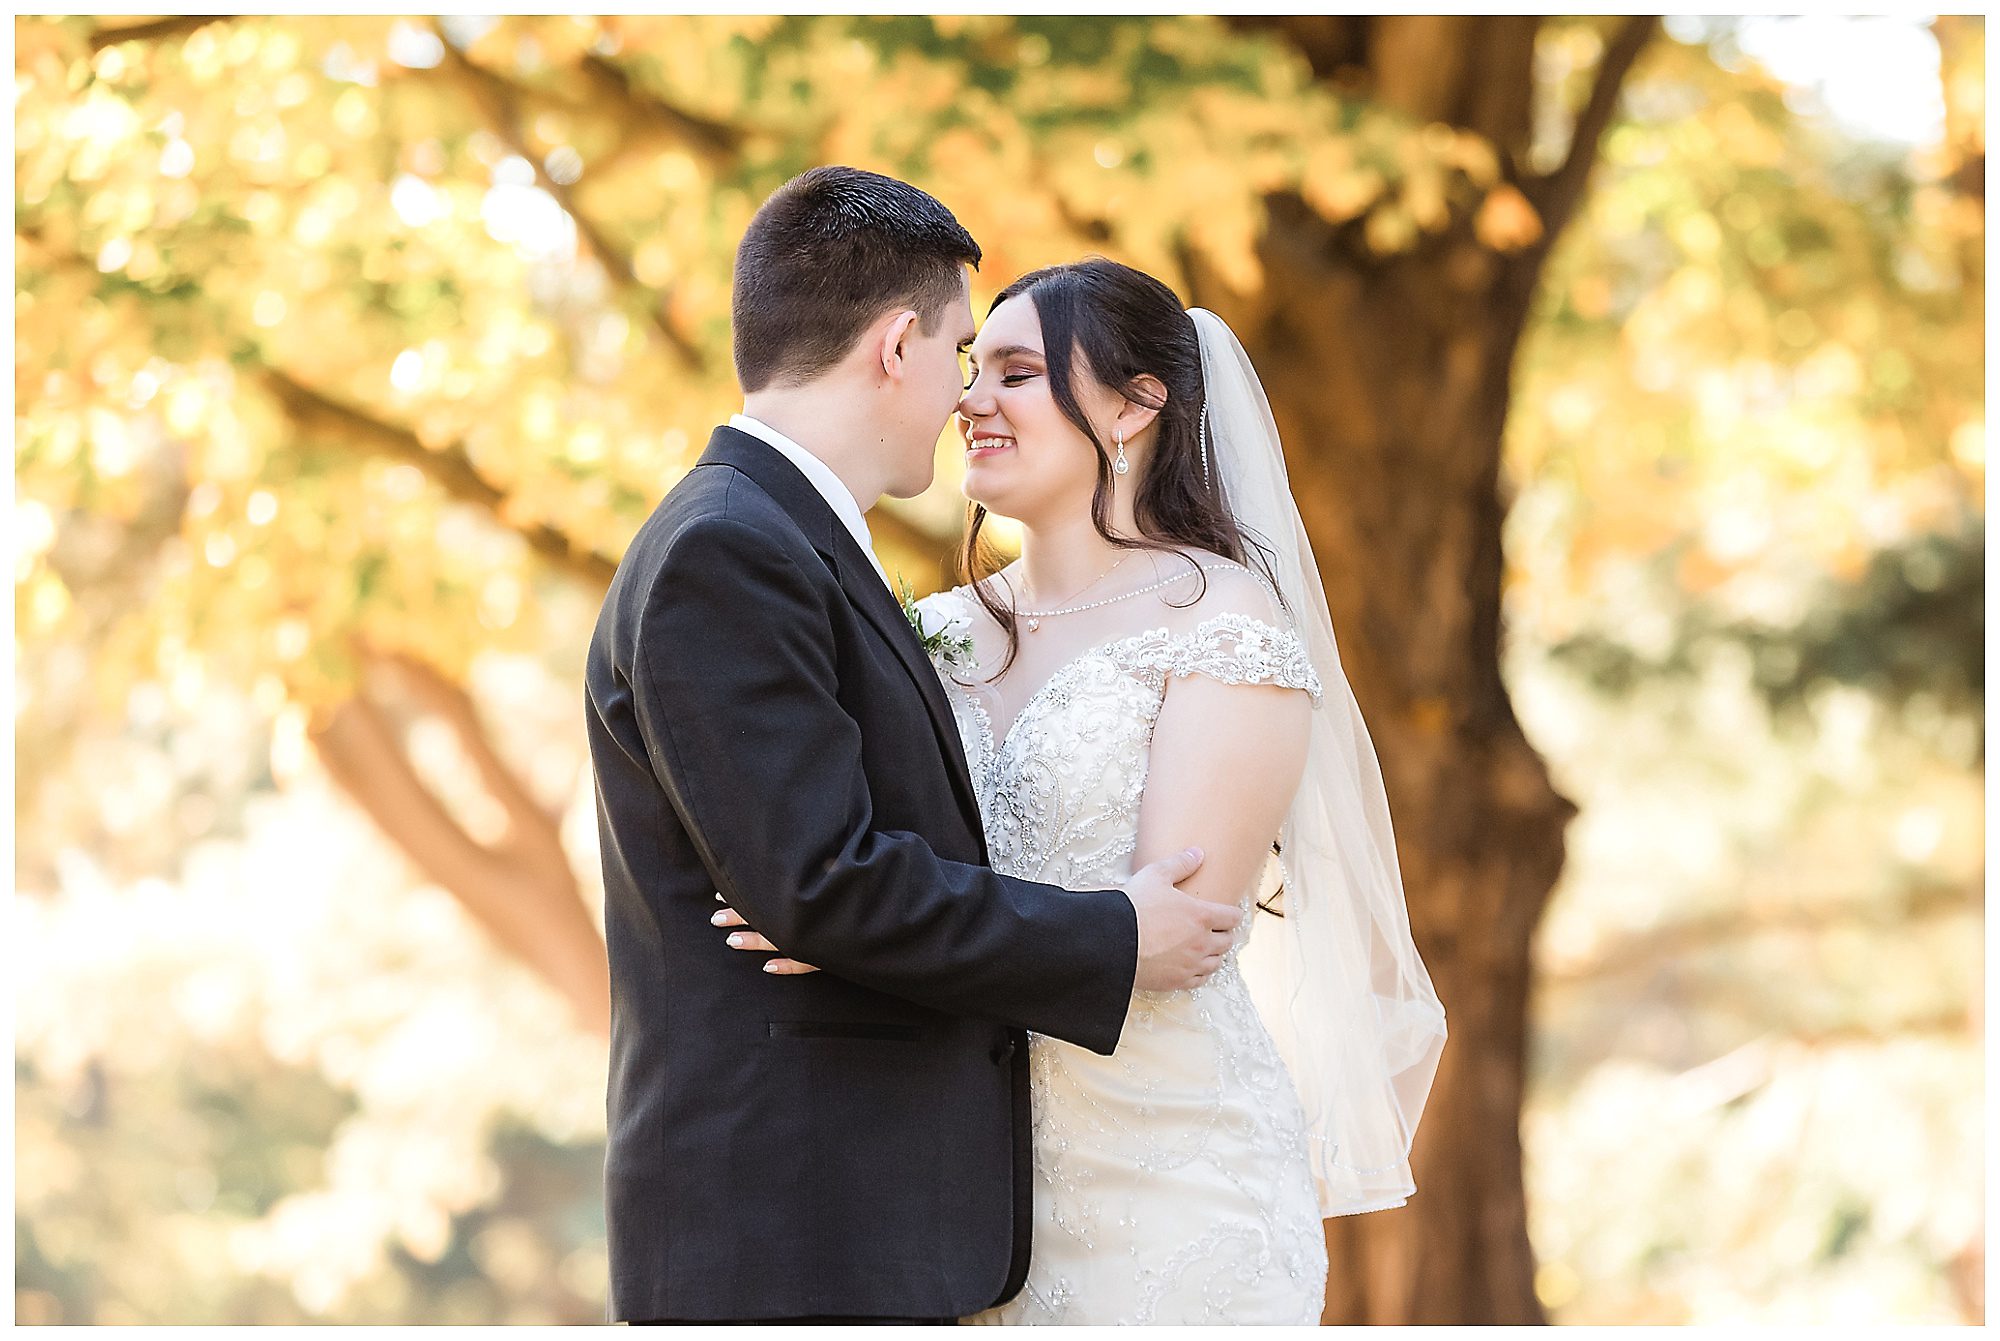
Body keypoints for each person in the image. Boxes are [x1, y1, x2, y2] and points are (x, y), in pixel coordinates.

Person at [717, 258, 1449, 1323]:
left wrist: (853, 941)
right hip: (958, 1196)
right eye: (972, 367)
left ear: (1132, 405)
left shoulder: (1222, 627)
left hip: (1170, 1182)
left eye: (1015, 373)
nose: (969, 399)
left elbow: (1168, 949)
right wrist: (836, 907)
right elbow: (859, 865)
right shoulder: (929, 635)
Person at [584, 170, 1246, 1325]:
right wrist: (1113, 934)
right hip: (789, 1233)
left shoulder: (784, 540)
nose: (960, 396)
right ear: (896, 345)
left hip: (873, 1224)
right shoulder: (728, 550)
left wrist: (827, 911)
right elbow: (822, 881)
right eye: (956, 352)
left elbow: (820, 882)